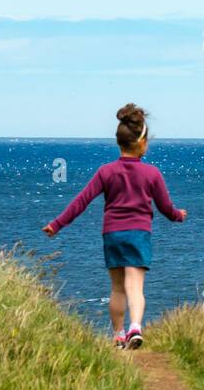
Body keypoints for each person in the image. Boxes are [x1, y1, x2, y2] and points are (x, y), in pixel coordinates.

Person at [43, 104, 186, 349]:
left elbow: (82, 200)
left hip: (112, 234)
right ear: (142, 144)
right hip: (138, 234)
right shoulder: (152, 174)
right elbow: (165, 207)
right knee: (135, 286)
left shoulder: (106, 171)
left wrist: (57, 224)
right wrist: (178, 216)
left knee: (117, 288)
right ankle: (135, 327)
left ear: (119, 143)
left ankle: (118, 335)